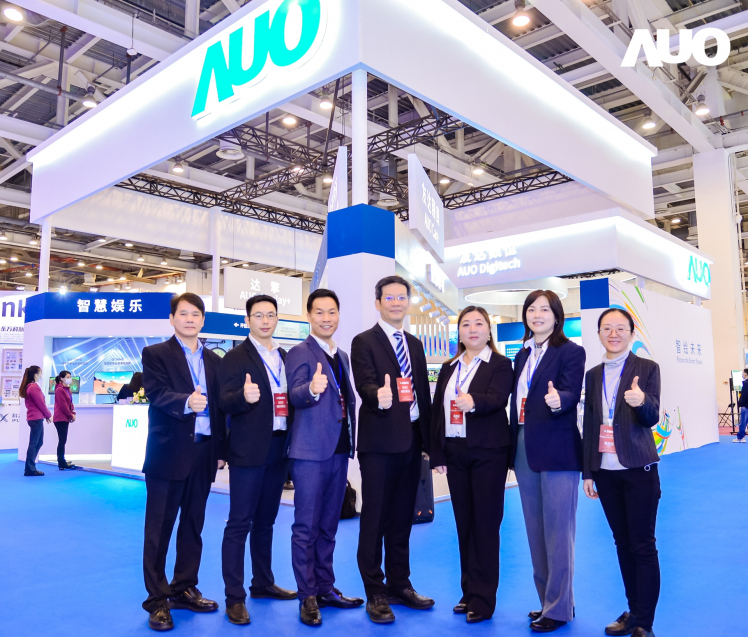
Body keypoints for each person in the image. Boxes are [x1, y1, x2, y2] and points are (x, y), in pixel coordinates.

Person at [140, 292, 227, 632]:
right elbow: (156, 393)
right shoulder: (156, 354)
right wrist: (186, 401)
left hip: (204, 453)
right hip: (168, 453)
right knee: (159, 530)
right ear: (172, 319)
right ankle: (157, 600)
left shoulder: (216, 360)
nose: (190, 319)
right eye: (183, 314)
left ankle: (184, 588)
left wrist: (221, 450)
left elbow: (219, 409)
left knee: (193, 526)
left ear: (203, 320)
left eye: (196, 314)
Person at [351, 275, 433, 624]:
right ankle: (375, 591)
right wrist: (377, 396)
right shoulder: (364, 341)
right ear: (378, 303)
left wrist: (430, 442)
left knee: (402, 519)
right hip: (380, 443)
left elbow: (422, 394)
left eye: (402, 297)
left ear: (408, 303)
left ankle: (400, 583)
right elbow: (364, 383)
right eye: (389, 297)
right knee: (375, 519)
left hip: (412, 440)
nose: (396, 302)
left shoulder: (414, 343)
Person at [430, 306, 513, 624]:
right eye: (466, 324)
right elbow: (438, 410)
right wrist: (437, 453)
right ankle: (468, 592)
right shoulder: (449, 366)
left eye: (479, 323)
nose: (473, 329)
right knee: (464, 524)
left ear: (489, 331)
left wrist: (473, 402)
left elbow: (499, 398)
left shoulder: (500, 364)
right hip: (455, 452)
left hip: (488, 453)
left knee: (486, 526)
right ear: (459, 332)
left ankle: (483, 598)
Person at [286, 288, 364, 626]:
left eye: (332, 312)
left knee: (329, 525)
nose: (326, 318)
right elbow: (294, 394)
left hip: (339, 450)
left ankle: (325, 588)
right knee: (306, 526)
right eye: (319, 312)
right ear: (309, 316)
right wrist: (311, 389)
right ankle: (307, 596)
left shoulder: (342, 355)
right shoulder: (299, 352)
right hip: (309, 452)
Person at [218, 294, 297, 626]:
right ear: (247, 320)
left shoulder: (285, 356)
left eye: (271, 315)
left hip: (279, 449)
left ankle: (262, 583)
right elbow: (224, 401)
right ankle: (234, 598)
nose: (265, 320)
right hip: (248, 452)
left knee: (266, 522)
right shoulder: (235, 357)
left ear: (277, 319)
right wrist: (243, 396)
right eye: (258, 315)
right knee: (239, 524)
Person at [582, 308, 662, 637]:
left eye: (620, 328)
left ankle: (644, 622)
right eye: (607, 328)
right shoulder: (593, 374)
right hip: (605, 472)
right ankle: (633, 610)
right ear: (599, 333)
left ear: (631, 332)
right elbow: (590, 424)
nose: (613, 334)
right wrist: (588, 471)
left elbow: (652, 417)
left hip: (638, 469)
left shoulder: (647, 368)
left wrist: (641, 401)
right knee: (622, 543)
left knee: (642, 545)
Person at [510, 289, 585, 633]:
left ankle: (558, 608)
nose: (537, 315)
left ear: (557, 316)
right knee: (535, 529)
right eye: (531, 309)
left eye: (544, 309)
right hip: (524, 444)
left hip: (557, 446)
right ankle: (547, 602)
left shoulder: (570, 351)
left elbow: (570, 391)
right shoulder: (522, 355)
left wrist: (560, 400)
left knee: (558, 531)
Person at [19, 365, 51, 477]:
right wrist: (48, 415)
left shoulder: (31, 386)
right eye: (40, 373)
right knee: (34, 443)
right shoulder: (33, 387)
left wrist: (45, 415)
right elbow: (40, 404)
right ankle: (30, 468)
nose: (41, 375)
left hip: (36, 418)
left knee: (38, 442)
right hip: (36, 418)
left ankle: (30, 467)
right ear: (35, 374)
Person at [53, 370, 77, 470]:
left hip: (65, 418)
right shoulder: (59, 390)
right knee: (62, 440)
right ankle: (61, 462)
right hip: (60, 418)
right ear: (62, 378)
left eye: (70, 376)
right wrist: (71, 415)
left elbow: (70, 403)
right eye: (67, 377)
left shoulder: (67, 389)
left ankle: (62, 461)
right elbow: (63, 406)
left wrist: (73, 413)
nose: (69, 378)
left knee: (63, 440)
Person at [733, 369, 748, 443]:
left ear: (745, 374)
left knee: (743, 422)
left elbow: (744, 395)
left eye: (743, 373)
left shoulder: (746, 383)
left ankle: (740, 437)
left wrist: (741, 403)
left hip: (745, 406)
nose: (742, 375)